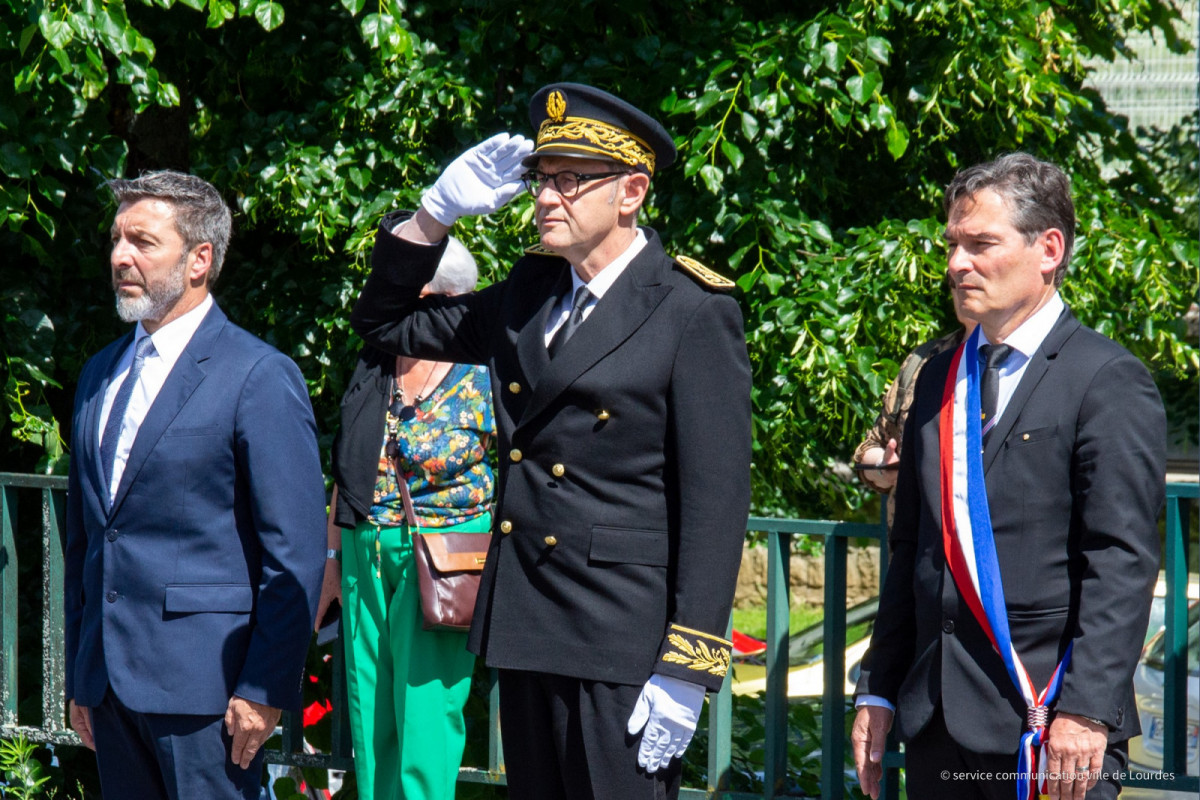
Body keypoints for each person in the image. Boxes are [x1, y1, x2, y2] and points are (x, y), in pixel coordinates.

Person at [349, 82, 752, 800]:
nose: (545, 198)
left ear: (631, 192)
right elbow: (385, 325)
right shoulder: (527, 298)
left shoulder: (691, 310)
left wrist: (688, 667)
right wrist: (432, 217)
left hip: (621, 639)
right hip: (528, 620)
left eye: (570, 181)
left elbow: (716, 505)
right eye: (541, 178)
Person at [851, 153, 1166, 800]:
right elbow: (911, 547)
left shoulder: (1106, 381)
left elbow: (1120, 559)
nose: (955, 265)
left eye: (981, 245)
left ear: (1048, 249)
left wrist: (1086, 710)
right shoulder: (941, 375)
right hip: (936, 719)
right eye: (953, 246)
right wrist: (879, 684)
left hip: (1049, 726)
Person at [63, 171, 327, 799]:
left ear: (199, 259)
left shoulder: (258, 374)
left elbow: (294, 551)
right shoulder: (100, 372)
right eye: (117, 239)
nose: (120, 256)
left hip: (210, 693)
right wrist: (81, 671)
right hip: (110, 686)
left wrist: (264, 689)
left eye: (143, 242)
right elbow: (87, 537)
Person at [314, 236, 495, 800]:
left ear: (435, 297)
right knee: (370, 718)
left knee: (425, 719)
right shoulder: (377, 358)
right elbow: (349, 461)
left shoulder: (486, 369)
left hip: (445, 561)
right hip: (364, 550)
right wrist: (329, 561)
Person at [853, 305, 973, 529]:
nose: (958, 271)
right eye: (954, 279)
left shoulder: (1034, 362)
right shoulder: (923, 360)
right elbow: (870, 446)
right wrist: (882, 467)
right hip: (915, 553)